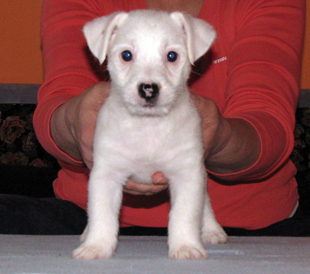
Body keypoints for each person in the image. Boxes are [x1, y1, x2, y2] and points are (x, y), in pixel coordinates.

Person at [1, 0, 308, 235]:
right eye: (127, 56)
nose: (149, 79)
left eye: (171, 57)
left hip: (251, 225)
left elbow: (268, 125)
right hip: (82, 215)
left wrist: (214, 136)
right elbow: (57, 103)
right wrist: (76, 120)